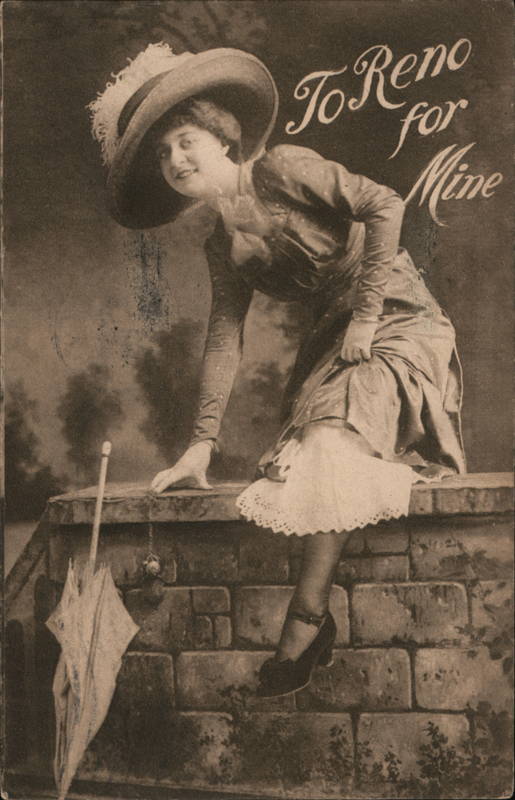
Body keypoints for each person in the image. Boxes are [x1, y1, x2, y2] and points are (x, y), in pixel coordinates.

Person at [89, 43, 466, 698]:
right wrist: (200, 444)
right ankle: (312, 621)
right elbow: (224, 338)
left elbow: (385, 204)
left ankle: (305, 621)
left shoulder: (285, 168)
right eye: (163, 154)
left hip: (399, 320)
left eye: (185, 141)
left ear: (222, 136)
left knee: (330, 441)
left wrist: (366, 318)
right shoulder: (221, 244)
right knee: (312, 449)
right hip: (333, 349)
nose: (176, 161)